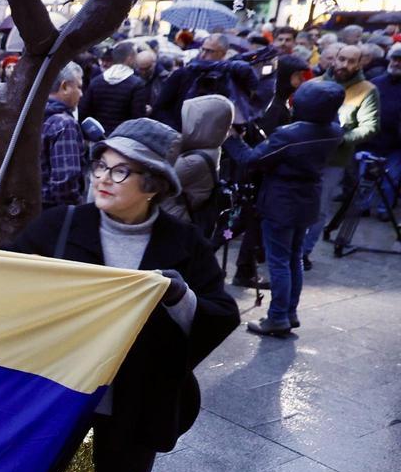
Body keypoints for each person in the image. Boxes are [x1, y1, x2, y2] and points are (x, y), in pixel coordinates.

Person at [0, 118, 239, 472]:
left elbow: (221, 314)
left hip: (139, 394)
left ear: (154, 185)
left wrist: (182, 297)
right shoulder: (63, 225)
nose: (104, 178)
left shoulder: (183, 242)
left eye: (121, 171)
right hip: (60, 389)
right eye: (102, 166)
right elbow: (3, 284)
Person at [220, 80, 343, 336]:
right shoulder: (334, 129)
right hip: (308, 200)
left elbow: (251, 160)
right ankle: (289, 312)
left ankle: (277, 317)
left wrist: (232, 139)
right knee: (294, 258)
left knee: (279, 262)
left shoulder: (290, 135)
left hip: (281, 202)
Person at [302, 43, 380, 263]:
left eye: (351, 61)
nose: (344, 64)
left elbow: (370, 126)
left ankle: (304, 252)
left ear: (359, 63)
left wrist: (341, 139)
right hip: (305, 154)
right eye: (341, 59)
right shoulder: (314, 84)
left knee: (319, 207)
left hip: (334, 158)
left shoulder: (367, 90)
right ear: (334, 59)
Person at [161, 95, 233, 236]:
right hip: (178, 217)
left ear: (202, 125)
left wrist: (174, 146)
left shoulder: (194, 161)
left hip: (175, 220)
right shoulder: (210, 146)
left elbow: (161, 178)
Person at [152, 34, 256, 131]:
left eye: (210, 51)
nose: (203, 55)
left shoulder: (227, 80)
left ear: (223, 54)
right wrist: (175, 131)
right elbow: (160, 108)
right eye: (203, 49)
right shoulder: (184, 74)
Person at [41, 62, 89, 209]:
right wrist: (74, 210)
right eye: (79, 87)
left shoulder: (29, 114)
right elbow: (65, 180)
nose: (81, 93)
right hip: (53, 210)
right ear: (65, 86)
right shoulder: (63, 124)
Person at [79, 41, 148, 134]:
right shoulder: (137, 84)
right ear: (130, 58)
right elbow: (138, 119)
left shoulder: (96, 81)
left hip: (98, 138)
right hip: (122, 139)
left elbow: (84, 112)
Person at [366, 43, 401, 217]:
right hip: (373, 140)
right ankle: (363, 206)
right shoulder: (375, 83)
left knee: (390, 179)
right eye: (395, 59)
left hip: (396, 144)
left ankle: (384, 209)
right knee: (366, 178)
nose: (397, 63)